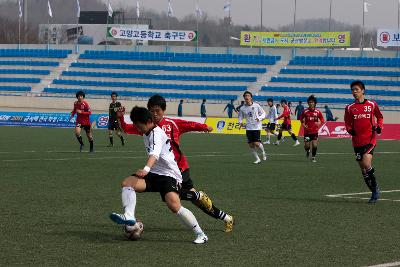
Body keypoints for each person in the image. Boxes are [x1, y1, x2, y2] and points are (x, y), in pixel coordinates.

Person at [118, 95, 234, 232]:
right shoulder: (145, 127)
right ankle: (225, 216)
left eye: (157, 111)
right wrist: (120, 117)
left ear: (163, 110)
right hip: (161, 171)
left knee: (186, 199)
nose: (155, 114)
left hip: (180, 168)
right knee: (176, 197)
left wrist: (204, 127)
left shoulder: (171, 124)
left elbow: (190, 125)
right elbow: (126, 128)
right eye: (152, 111)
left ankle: (225, 217)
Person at [110, 106, 208, 244]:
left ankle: (201, 234)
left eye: (139, 126)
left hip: (169, 175)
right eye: (136, 126)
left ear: (148, 121)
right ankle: (129, 216)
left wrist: (145, 169)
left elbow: (154, 154)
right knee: (127, 183)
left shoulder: (156, 133)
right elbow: (126, 129)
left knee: (174, 206)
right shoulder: (146, 131)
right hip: (155, 172)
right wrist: (120, 117)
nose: (137, 129)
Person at [344, 80, 383, 203]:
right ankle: (372, 191)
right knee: (363, 169)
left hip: (370, 139)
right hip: (357, 141)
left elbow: (380, 117)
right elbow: (347, 122)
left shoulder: (372, 104)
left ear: (363, 91)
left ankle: (376, 188)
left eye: (357, 89)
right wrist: (350, 130)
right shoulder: (350, 108)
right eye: (353, 90)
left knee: (367, 163)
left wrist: (379, 126)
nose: (354, 92)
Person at [238, 91, 267, 164]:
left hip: (256, 127)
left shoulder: (256, 105)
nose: (247, 97)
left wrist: (259, 118)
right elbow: (240, 117)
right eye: (245, 96)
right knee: (251, 145)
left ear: (251, 97)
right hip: (248, 128)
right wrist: (240, 123)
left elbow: (263, 113)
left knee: (256, 143)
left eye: (248, 96)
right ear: (244, 98)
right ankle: (258, 159)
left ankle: (263, 152)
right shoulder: (242, 108)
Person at [300, 95, 325, 163]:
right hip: (307, 132)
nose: (311, 103)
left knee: (314, 145)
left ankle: (313, 157)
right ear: (308, 103)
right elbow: (301, 118)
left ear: (315, 103)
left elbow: (322, 119)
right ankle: (308, 151)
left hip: (314, 131)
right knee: (307, 146)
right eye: (310, 102)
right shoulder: (305, 111)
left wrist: (319, 123)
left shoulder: (318, 112)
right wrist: (303, 124)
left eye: (312, 102)